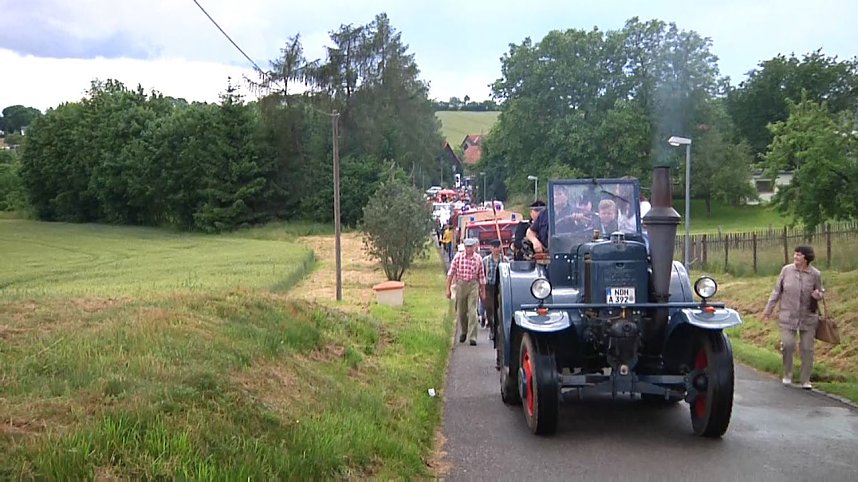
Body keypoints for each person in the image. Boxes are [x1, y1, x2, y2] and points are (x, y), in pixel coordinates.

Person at [763, 245, 824, 389]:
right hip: (787, 315)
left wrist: (819, 295)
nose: (795, 257)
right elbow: (777, 291)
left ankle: (805, 380)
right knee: (788, 345)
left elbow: (820, 290)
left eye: (799, 255)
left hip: (808, 317)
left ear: (806, 258)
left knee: (807, 349)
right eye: (795, 254)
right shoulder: (786, 270)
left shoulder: (815, 274)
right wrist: (768, 310)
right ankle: (787, 374)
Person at [447, 237, 487, 346]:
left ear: (474, 247)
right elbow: (450, 273)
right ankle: (464, 331)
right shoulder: (458, 257)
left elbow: (482, 277)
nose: (469, 249)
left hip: (473, 285)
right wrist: (448, 289)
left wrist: (483, 291)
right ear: (465, 247)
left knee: (472, 310)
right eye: (467, 247)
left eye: (471, 247)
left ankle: (472, 337)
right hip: (461, 284)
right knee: (461, 312)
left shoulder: (478, 259)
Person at [482, 239, 508, 367]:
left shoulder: (505, 260)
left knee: (498, 311)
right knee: (489, 309)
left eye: (498, 247)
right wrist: (482, 288)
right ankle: (492, 328)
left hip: (500, 288)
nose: (496, 249)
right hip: (489, 287)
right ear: (491, 248)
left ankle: (495, 330)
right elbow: (482, 274)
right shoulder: (486, 260)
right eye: (494, 247)